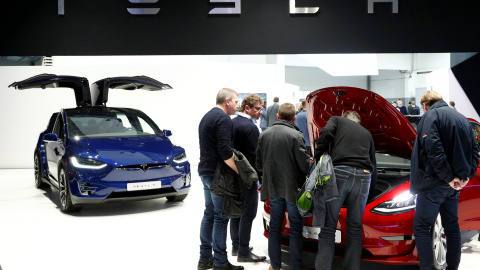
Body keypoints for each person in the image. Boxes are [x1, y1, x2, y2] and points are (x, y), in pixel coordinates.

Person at [410, 91, 479, 270]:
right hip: (454, 185)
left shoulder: (430, 116)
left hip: (434, 183)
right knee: (452, 227)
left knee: (422, 227)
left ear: (425, 105)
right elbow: (474, 149)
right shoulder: (462, 118)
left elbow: (434, 149)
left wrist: (448, 177)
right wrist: (466, 177)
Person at [314, 111, 377, 270]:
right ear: (358, 122)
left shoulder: (337, 120)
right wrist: (370, 191)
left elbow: (326, 132)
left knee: (329, 227)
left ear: (344, 118)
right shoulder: (367, 133)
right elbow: (373, 164)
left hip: (341, 172)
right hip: (364, 176)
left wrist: (319, 154)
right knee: (355, 227)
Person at [256, 103, 310, 270]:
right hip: (292, 190)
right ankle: (296, 266)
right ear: (294, 118)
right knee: (295, 229)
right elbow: (304, 166)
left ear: (277, 116)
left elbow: (258, 163)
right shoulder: (296, 135)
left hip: (272, 189)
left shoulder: (264, 135)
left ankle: (275, 265)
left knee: (274, 228)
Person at [197, 88, 244, 270]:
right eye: (236, 102)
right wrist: (240, 171)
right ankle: (220, 262)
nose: (237, 105)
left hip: (206, 172)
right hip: (218, 175)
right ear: (227, 101)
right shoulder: (223, 119)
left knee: (210, 213)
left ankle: (204, 258)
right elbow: (226, 152)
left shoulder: (207, 116)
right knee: (221, 217)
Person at [229, 94, 267, 263]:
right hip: (248, 176)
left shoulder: (232, 122)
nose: (261, 112)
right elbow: (254, 157)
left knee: (236, 211)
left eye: (261, 109)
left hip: (233, 174)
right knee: (248, 213)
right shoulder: (250, 128)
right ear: (247, 108)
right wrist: (259, 179)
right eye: (258, 109)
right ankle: (244, 251)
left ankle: (236, 246)